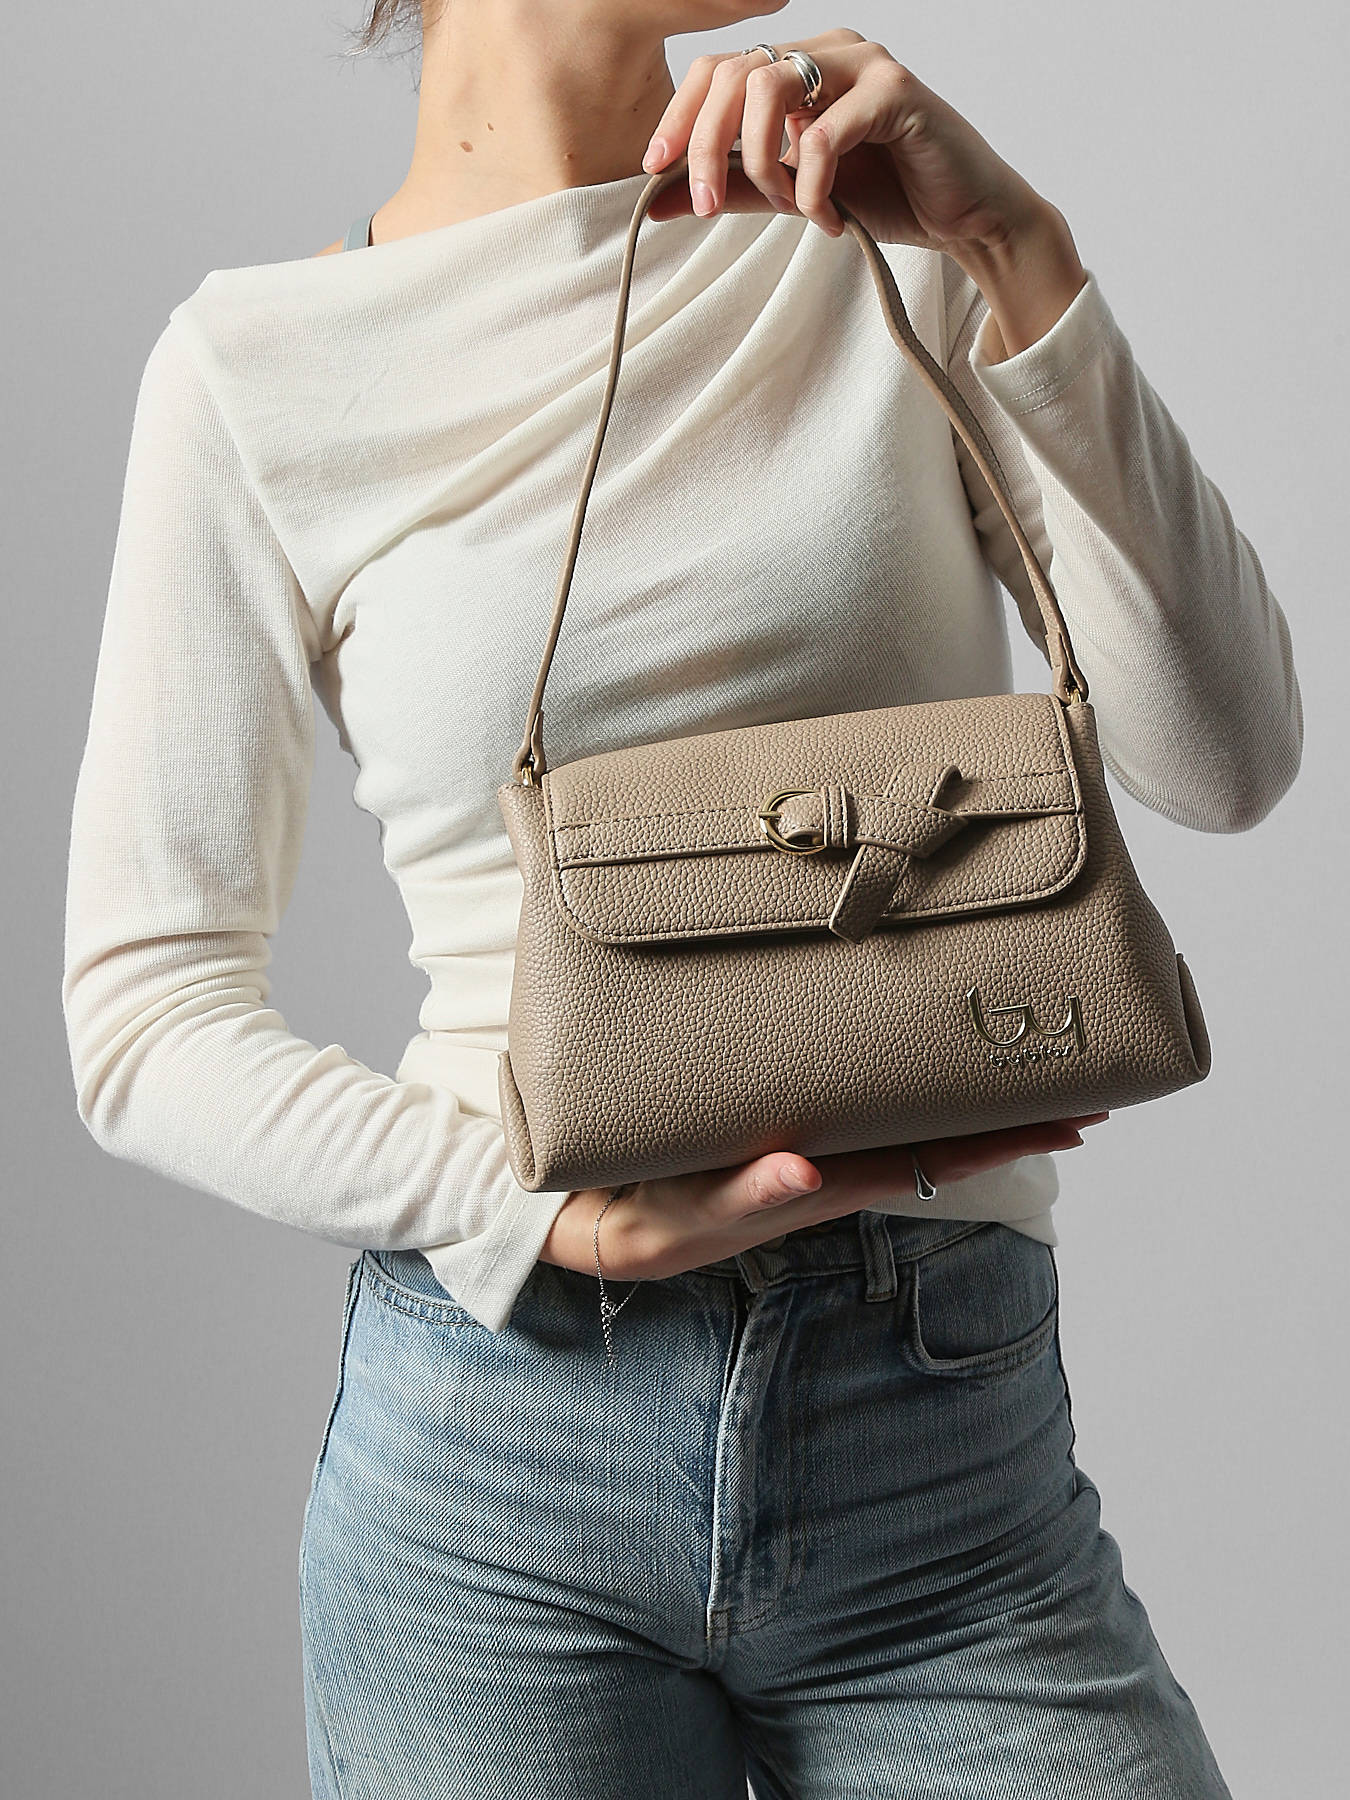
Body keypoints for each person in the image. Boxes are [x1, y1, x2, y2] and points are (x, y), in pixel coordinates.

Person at [62, 5, 1302, 1796]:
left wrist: (1013, 248)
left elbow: (1224, 756)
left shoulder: (879, 241)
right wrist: (531, 1211)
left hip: (939, 1432)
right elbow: (144, 1016)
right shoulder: (257, 369)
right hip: (497, 1450)